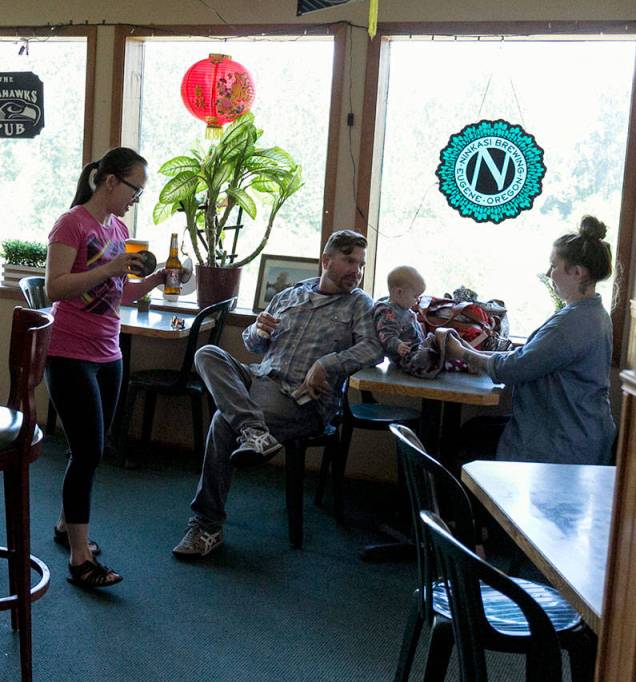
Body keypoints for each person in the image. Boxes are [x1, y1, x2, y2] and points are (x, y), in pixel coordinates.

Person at [172, 230, 384, 558]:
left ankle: (206, 525)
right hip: (259, 380)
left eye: (361, 264)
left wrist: (326, 364)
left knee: (222, 420)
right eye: (349, 261)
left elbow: (374, 349)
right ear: (326, 260)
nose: (357, 271)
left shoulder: (360, 304)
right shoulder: (291, 295)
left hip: (301, 398)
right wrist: (257, 329)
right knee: (208, 354)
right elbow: (253, 344)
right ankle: (255, 431)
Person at [44, 147, 165, 588]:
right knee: (90, 452)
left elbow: (119, 295)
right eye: (135, 188)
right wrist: (111, 266)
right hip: (69, 353)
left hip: (108, 353)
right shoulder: (72, 223)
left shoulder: (119, 228)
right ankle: (80, 559)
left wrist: (154, 280)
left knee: (88, 450)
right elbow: (54, 288)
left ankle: (64, 526)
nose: (136, 197)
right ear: (109, 181)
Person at [444, 215, 616, 465]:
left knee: (467, 442)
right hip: (579, 430)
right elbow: (528, 357)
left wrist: (460, 352)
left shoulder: (573, 324)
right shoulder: (592, 314)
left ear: (577, 272)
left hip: (563, 443)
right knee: (474, 431)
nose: (548, 273)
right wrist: (475, 353)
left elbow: (513, 368)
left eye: (554, 265)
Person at [373, 265, 427, 367]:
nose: (417, 300)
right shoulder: (388, 312)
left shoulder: (404, 308)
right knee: (443, 342)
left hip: (418, 350)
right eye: (415, 296)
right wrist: (397, 345)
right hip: (407, 357)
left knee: (445, 336)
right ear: (399, 292)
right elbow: (386, 335)